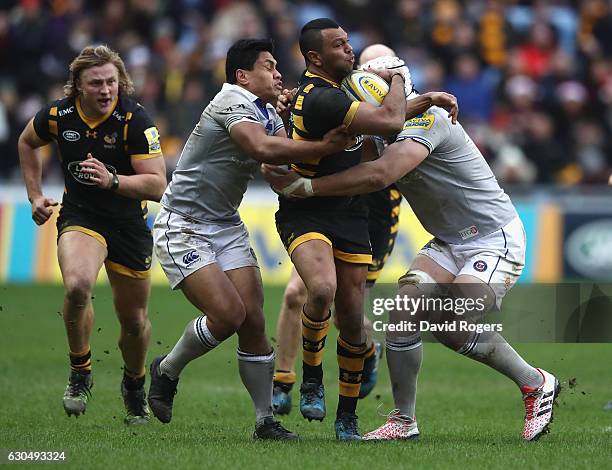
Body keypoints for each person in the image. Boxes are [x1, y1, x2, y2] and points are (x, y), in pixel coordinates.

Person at [264, 57, 560, 442]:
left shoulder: (428, 120)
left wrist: (305, 189)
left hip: (493, 238)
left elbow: (379, 175)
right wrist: (292, 114)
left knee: (451, 322)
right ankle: (403, 420)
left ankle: (536, 382)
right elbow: (338, 150)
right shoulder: (386, 128)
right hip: (451, 241)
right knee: (403, 314)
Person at [146, 38, 352, 441]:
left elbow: (278, 161)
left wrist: (300, 118)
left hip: (224, 224)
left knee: (254, 320)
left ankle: (264, 423)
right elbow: (260, 147)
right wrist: (320, 145)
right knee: (227, 316)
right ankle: (167, 368)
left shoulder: (265, 113)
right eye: (269, 66)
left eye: (278, 67)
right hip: (183, 225)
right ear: (243, 75)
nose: (278, 74)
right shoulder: (231, 102)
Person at [18, 45, 167, 425]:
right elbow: (27, 142)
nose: (105, 90)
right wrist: (34, 194)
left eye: (111, 82)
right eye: (96, 83)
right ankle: (80, 370)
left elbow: (157, 185)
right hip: (81, 216)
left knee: (133, 321)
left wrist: (113, 180)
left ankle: (134, 385)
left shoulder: (136, 120)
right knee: (78, 286)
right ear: (78, 87)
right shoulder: (58, 114)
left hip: (129, 225)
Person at [271, 44, 405, 415]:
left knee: (349, 305)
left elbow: (380, 159)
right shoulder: (341, 93)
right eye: (369, 65)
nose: (373, 73)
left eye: (384, 67)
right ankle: (284, 381)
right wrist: (289, 110)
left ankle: (367, 349)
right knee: (302, 292)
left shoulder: (398, 102)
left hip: (373, 209)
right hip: (326, 205)